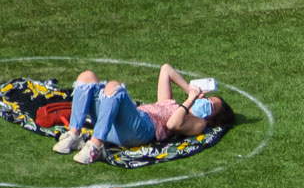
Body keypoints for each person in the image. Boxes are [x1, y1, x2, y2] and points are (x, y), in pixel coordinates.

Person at [52, 63, 229, 164]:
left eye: (211, 106)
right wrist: (189, 88)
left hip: (141, 130)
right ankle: (74, 134)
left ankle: (95, 146)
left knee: (115, 88)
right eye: (209, 99)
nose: (205, 102)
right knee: (87, 76)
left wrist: (189, 100)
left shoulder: (199, 123)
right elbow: (166, 69)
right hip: (117, 125)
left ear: (212, 119)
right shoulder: (169, 102)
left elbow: (172, 124)